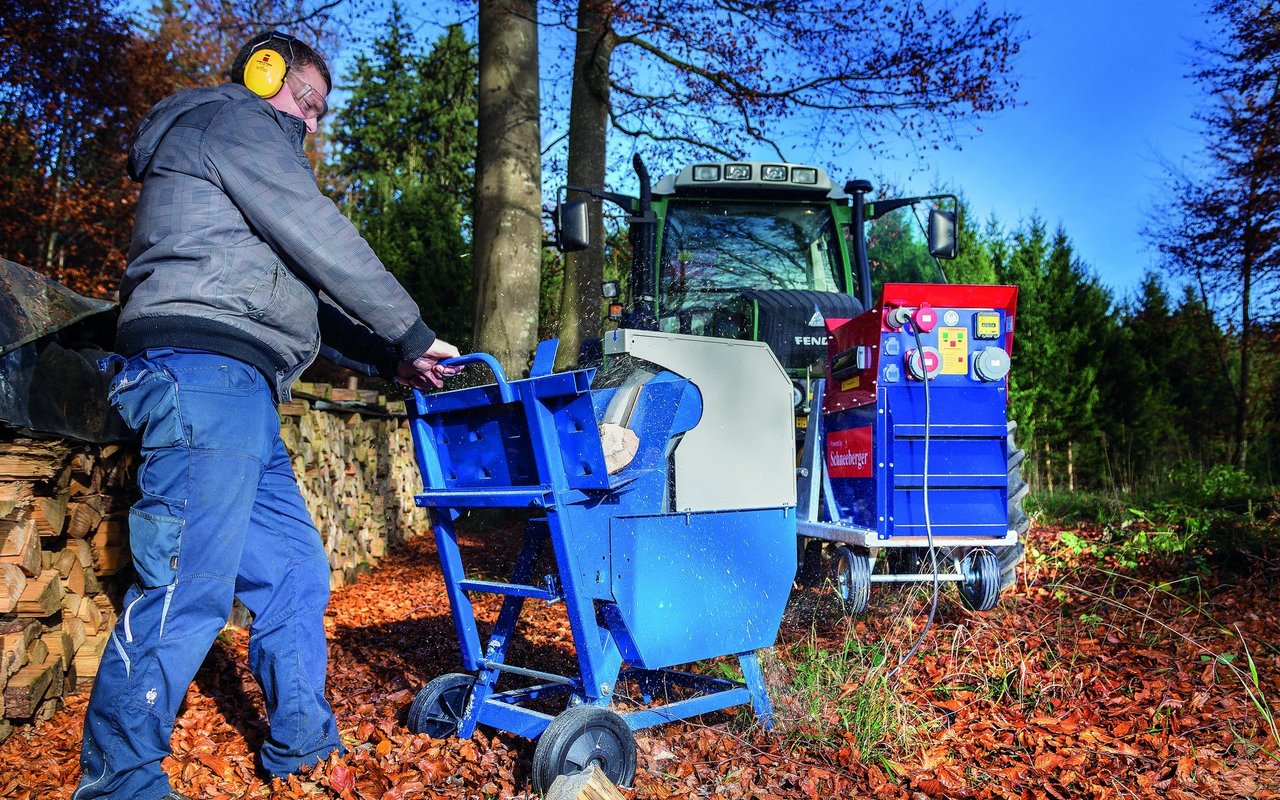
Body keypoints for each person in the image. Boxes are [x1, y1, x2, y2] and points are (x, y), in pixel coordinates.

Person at [74, 31, 460, 800]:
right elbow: (325, 240)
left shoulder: (245, 164)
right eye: (307, 103)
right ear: (264, 74)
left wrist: (393, 356)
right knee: (189, 586)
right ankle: (119, 784)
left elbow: (310, 296)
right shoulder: (232, 122)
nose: (314, 124)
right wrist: (410, 328)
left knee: (293, 572)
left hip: (242, 388)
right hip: (202, 375)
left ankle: (303, 747)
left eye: (320, 112)